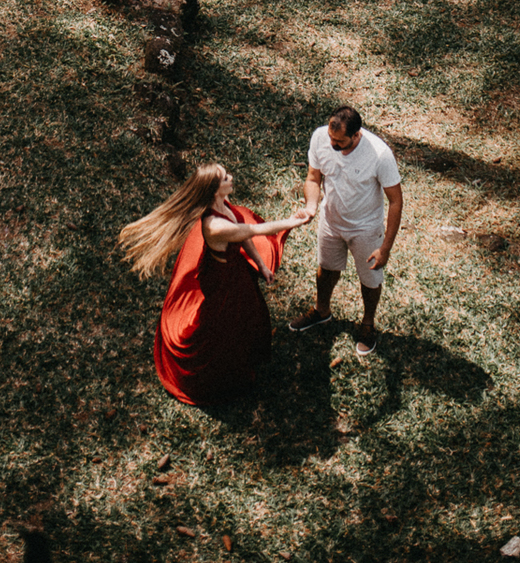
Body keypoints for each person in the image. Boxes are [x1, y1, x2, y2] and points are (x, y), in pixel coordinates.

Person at [119, 162, 310, 405]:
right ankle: (219, 377)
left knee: (245, 315)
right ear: (214, 189)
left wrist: (261, 264)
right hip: (220, 282)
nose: (231, 177)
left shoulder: (224, 204)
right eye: (224, 178)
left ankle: (245, 357)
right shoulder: (214, 225)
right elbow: (254, 230)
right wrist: (293, 221)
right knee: (219, 327)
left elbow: (244, 236)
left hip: (235, 271)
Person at [289, 105, 403, 359]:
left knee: (370, 279)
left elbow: (396, 201)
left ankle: (368, 324)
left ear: (356, 135)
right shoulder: (321, 137)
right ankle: (321, 311)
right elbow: (313, 178)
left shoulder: (380, 154)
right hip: (331, 221)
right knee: (326, 270)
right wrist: (311, 206)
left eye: (339, 142)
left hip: (365, 227)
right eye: (331, 138)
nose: (332, 144)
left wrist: (385, 248)